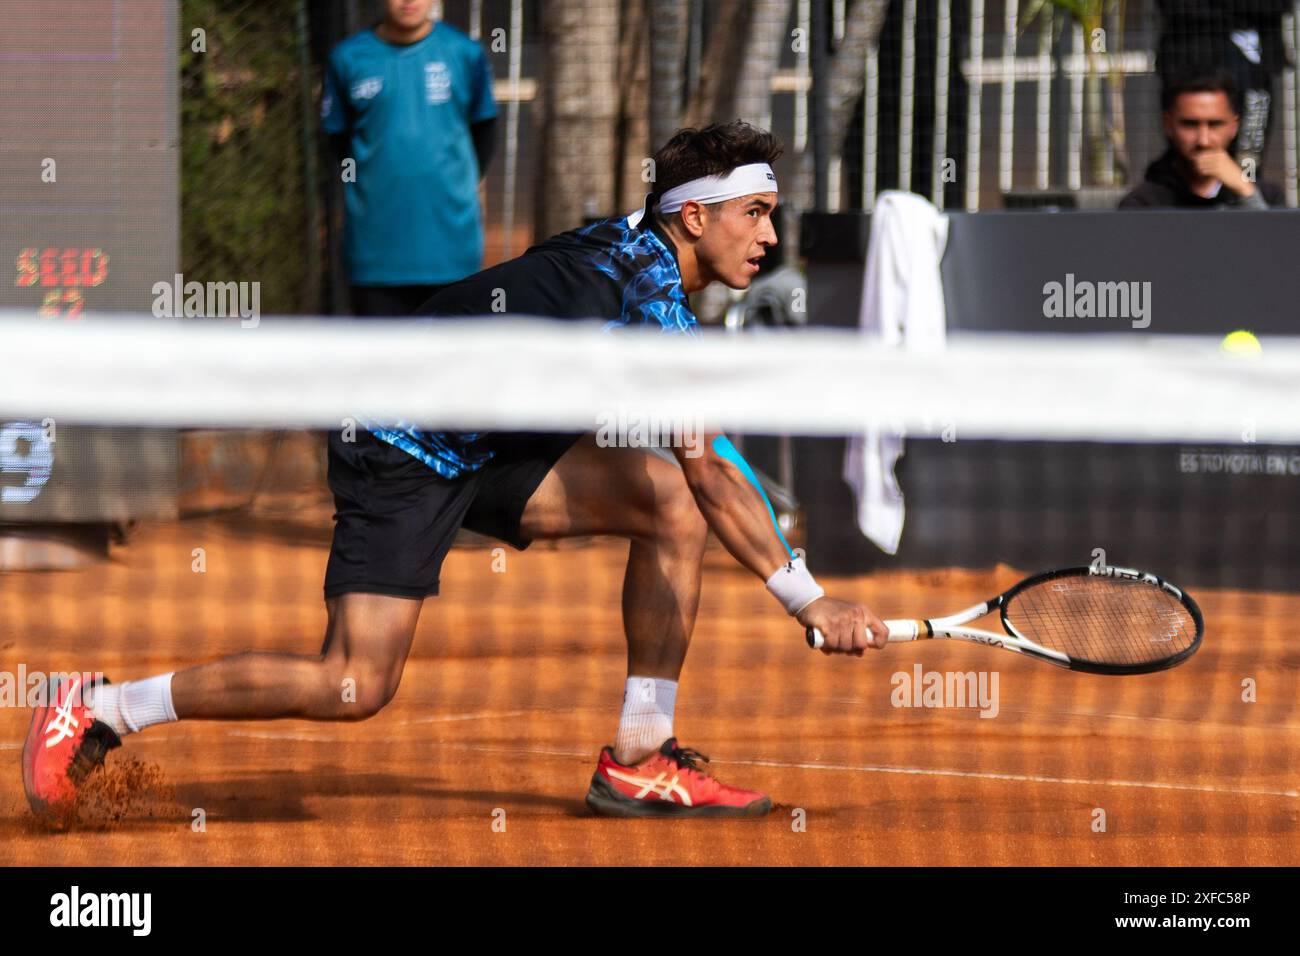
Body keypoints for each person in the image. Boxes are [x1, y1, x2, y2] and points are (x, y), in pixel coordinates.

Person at [23, 121, 889, 822]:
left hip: (484, 439)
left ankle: (639, 757)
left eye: (773, 213)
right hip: (399, 442)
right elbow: (713, 466)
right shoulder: (646, 301)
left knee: (666, 503)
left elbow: (698, 469)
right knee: (352, 683)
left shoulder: (634, 249)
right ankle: (100, 707)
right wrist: (808, 599)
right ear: (696, 218)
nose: (771, 235)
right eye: (756, 212)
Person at [322, 0, 497, 317]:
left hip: (452, 252)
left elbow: (484, 130)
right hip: (374, 256)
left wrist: (456, 185)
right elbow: (339, 140)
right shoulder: (347, 58)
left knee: (451, 362)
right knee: (380, 362)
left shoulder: (465, 53)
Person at [1156, 0, 1292, 176]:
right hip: (1188, 53)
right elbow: (1174, 7)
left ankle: (1244, 189)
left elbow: (1276, 6)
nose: (1204, 138)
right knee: (1188, 159)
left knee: (1248, 159)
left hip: (1253, 67)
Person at [1119, 70, 1284, 209]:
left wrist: (1246, 192)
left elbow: (1277, 245)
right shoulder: (1143, 205)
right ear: (1168, 125)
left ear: (1234, 126)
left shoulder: (1269, 197)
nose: (1203, 140)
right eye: (1190, 124)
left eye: (1214, 124)